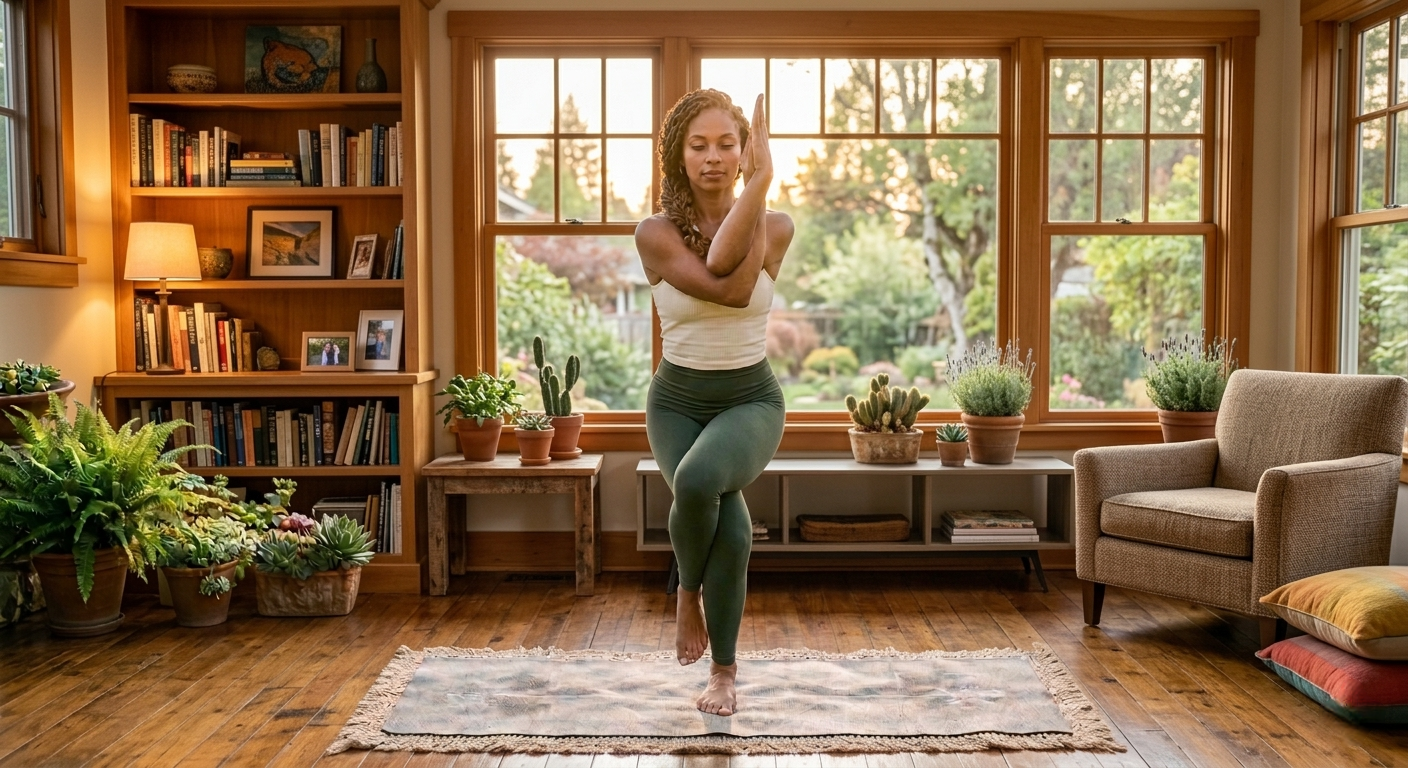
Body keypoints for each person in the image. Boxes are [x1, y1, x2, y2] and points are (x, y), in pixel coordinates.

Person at [635, 89, 792, 717]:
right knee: (730, 529)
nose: (713, 157)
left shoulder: (774, 226)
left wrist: (759, 187)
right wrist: (763, 176)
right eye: (698, 145)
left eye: (728, 143)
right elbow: (722, 284)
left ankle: (685, 591)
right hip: (674, 401)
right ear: (678, 155)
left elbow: (738, 273)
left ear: (744, 148)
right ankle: (723, 673)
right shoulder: (655, 233)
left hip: (751, 399)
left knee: (700, 479)